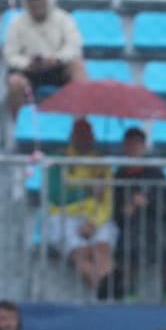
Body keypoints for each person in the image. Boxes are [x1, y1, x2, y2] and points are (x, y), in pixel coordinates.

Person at [97, 126, 166, 305]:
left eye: (137, 144)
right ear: (124, 148)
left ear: (143, 147)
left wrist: (148, 202)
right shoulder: (119, 175)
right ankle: (130, 288)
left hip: (155, 222)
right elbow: (116, 211)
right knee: (127, 243)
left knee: (165, 244)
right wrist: (126, 209)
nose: (133, 148)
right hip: (131, 224)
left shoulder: (156, 173)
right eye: (129, 145)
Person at [42, 118, 116, 291]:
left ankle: (108, 295)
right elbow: (54, 195)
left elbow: (107, 201)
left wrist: (94, 222)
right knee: (82, 254)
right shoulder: (58, 159)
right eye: (80, 134)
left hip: (95, 216)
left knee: (102, 251)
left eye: (88, 134)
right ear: (72, 136)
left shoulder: (101, 163)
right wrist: (86, 190)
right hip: (64, 216)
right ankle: (106, 294)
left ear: (93, 137)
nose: (84, 138)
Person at [3, 0, 87, 124]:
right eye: (33, 5)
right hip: (29, 71)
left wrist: (57, 58)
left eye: (40, 4)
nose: (37, 8)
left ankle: (80, 123)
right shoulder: (16, 23)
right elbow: (10, 54)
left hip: (57, 68)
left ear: (48, 1)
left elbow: (74, 46)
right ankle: (21, 127)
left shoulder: (64, 19)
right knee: (14, 82)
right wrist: (27, 63)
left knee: (77, 66)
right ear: (27, 4)